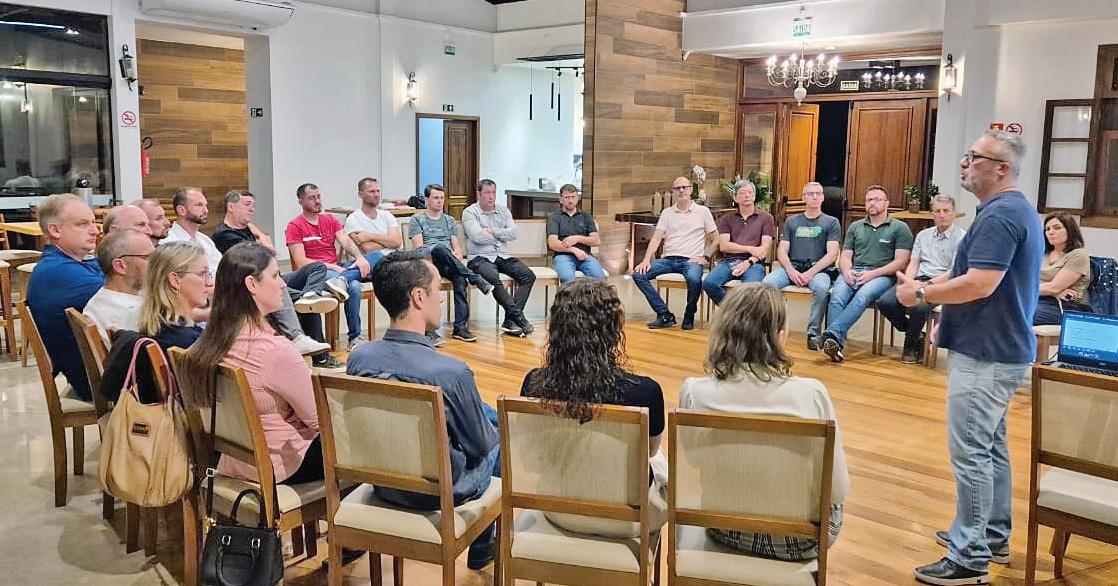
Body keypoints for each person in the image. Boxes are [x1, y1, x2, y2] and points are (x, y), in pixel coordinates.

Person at [898, 131, 1043, 586]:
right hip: (994, 347)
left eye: (974, 157)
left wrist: (923, 294)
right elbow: (971, 276)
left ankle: (969, 555)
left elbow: (981, 283)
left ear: (1001, 168)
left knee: (971, 452)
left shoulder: (1002, 215)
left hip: (987, 353)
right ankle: (991, 535)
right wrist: (941, 302)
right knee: (990, 446)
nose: (965, 163)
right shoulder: (1006, 211)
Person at [347, 250, 500, 570]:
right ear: (418, 297)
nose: (441, 299)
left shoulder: (359, 358)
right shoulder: (451, 373)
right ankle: (482, 545)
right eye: (437, 289)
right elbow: (480, 446)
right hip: (437, 492)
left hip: (383, 484)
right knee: (498, 437)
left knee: (484, 414)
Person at [679, 283, 849, 563]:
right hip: (800, 539)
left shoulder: (694, 391)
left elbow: (694, 460)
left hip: (724, 526)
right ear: (779, 336)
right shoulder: (810, 394)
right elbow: (838, 490)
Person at [520, 278, 666, 537]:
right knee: (659, 458)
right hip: (628, 518)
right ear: (613, 329)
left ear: (556, 329)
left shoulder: (534, 383)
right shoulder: (645, 391)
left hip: (556, 507)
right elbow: (651, 452)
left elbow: (532, 451)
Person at [177, 243, 321, 487]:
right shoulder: (274, 351)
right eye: (275, 276)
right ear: (251, 284)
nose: (283, 284)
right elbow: (320, 420)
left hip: (231, 458)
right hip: (281, 464)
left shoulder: (207, 343)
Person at [214, 189, 344, 367]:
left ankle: (310, 294)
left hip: (275, 277)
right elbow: (265, 255)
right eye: (247, 205)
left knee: (317, 267)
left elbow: (269, 253)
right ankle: (320, 357)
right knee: (305, 304)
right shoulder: (224, 235)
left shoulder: (247, 230)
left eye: (253, 205)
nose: (252, 209)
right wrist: (262, 238)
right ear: (231, 207)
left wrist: (259, 236)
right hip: (256, 284)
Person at [97, 241, 214, 405]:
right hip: (186, 417)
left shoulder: (156, 323)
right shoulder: (188, 342)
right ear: (175, 280)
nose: (210, 283)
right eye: (202, 274)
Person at [819, 185, 913, 363]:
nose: (872, 203)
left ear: (887, 203)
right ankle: (835, 345)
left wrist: (872, 274)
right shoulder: (856, 226)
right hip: (855, 270)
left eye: (877, 199)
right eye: (869, 200)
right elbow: (845, 256)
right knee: (837, 297)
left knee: (862, 296)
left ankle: (832, 335)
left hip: (883, 275)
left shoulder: (900, 228)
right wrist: (846, 271)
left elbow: (901, 262)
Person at [286, 182, 383, 350]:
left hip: (338, 268)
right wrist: (333, 267)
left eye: (319, 197)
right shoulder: (295, 226)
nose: (317, 201)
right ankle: (354, 337)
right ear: (301, 201)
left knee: (377, 257)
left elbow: (346, 241)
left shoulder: (330, 219)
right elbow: (300, 261)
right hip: (316, 273)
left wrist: (360, 258)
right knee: (354, 286)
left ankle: (343, 279)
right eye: (312, 198)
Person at [26, 194, 104, 401]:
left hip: (96, 368)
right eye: (83, 224)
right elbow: (118, 296)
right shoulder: (59, 272)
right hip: (95, 381)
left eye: (94, 222)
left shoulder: (74, 262)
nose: (95, 230)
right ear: (55, 230)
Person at [877, 195, 966, 363]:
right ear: (932, 214)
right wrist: (909, 282)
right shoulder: (923, 235)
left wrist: (927, 284)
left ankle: (909, 347)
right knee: (885, 302)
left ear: (954, 213)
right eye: (937, 211)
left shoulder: (962, 238)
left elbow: (953, 271)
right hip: (918, 279)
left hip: (942, 284)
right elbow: (914, 263)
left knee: (918, 307)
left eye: (946, 211)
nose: (941, 215)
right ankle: (918, 335)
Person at [409, 184, 493, 343]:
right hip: (428, 262)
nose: (440, 201)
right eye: (436, 198)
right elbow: (419, 248)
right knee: (439, 248)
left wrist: (457, 254)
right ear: (427, 200)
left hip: (448, 261)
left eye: (442, 198)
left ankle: (460, 328)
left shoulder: (449, 220)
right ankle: (475, 278)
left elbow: (457, 248)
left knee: (460, 279)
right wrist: (443, 252)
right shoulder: (417, 220)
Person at [632, 176, 718, 330]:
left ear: (691, 190)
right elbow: (656, 238)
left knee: (694, 278)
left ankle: (689, 313)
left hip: (691, 260)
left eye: (684, 187)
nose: (681, 190)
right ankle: (664, 314)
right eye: (677, 188)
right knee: (638, 274)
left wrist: (706, 257)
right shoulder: (667, 213)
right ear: (673, 192)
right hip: (668, 259)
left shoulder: (703, 212)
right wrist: (646, 259)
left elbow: (716, 239)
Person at [762, 182, 841, 350]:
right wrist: (791, 271)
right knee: (767, 284)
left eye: (818, 194)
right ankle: (770, 329)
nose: (815, 197)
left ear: (823, 197)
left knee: (822, 288)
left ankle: (813, 334)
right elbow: (782, 251)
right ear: (803, 197)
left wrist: (810, 273)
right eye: (810, 194)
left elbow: (832, 254)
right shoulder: (792, 221)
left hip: (818, 270)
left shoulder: (832, 222)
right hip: (792, 267)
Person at [462, 179, 536, 337]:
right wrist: (502, 235)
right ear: (479, 194)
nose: (491, 196)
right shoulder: (470, 212)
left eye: (493, 193)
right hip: (479, 258)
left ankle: (510, 320)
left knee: (528, 276)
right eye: (487, 193)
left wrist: (493, 231)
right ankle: (519, 319)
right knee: (494, 278)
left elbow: (514, 233)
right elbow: (477, 236)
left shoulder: (503, 210)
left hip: (502, 256)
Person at [702, 179, 774, 305]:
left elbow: (764, 248)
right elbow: (724, 246)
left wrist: (748, 262)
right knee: (709, 283)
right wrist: (750, 248)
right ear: (735, 198)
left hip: (754, 263)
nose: (747, 195)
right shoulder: (726, 219)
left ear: (754, 196)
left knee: (752, 291)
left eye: (750, 192)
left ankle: (737, 313)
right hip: (729, 261)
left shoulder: (766, 218)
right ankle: (732, 310)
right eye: (742, 193)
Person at [83, 228, 153, 346]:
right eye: (148, 257)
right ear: (120, 266)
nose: (157, 263)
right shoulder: (133, 314)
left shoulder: (104, 299)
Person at [1034, 212, 1092, 325]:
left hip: (1064, 306)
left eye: (1057, 228)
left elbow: (1054, 287)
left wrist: (1052, 292)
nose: (1051, 232)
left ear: (1070, 230)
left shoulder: (1078, 255)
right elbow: (1025, 280)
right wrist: (1052, 291)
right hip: (1038, 299)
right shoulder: (1042, 253)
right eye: (1047, 229)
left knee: (1018, 314)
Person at [546, 184, 605, 283]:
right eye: (567, 197)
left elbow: (596, 241)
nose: (570, 200)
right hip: (563, 256)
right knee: (567, 278)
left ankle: (590, 294)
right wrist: (573, 250)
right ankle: (572, 294)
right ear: (560, 200)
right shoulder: (555, 217)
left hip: (585, 255)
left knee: (598, 277)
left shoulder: (586, 217)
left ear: (578, 198)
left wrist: (577, 238)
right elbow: (552, 243)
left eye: (573, 197)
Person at [161, 186, 223, 274]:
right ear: (181, 210)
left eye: (206, 205)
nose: (206, 210)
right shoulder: (168, 242)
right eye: (199, 205)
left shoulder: (206, 241)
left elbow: (221, 270)